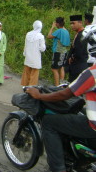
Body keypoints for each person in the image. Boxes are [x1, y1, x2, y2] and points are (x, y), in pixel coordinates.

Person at [25, 25, 96, 172]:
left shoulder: (92, 73)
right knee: (79, 111)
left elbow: (66, 94)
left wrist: (39, 95)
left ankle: (57, 168)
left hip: (94, 126)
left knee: (50, 123)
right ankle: (80, 159)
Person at [21, 20, 46, 86]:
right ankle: (31, 88)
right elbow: (42, 48)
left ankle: (25, 86)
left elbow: (25, 45)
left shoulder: (28, 34)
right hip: (36, 57)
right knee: (34, 74)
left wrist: (25, 53)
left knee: (26, 72)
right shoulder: (41, 36)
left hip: (28, 56)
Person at [47, 17, 70, 86]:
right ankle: (61, 85)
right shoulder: (66, 31)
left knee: (54, 69)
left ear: (57, 23)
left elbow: (49, 36)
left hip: (58, 52)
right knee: (61, 67)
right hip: (64, 52)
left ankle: (57, 85)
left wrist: (52, 27)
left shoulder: (59, 31)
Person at [66, 15, 88, 83]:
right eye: (71, 24)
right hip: (75, 65)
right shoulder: (78, 34)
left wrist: (72, 57)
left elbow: (80, 51)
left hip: (79, 65)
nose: (72, 25)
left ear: (80, 23)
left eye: (73, 23)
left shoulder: (83, 34)